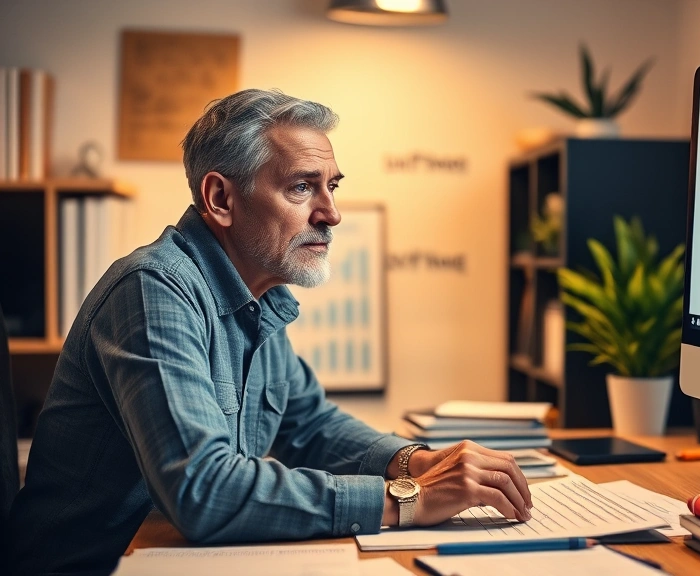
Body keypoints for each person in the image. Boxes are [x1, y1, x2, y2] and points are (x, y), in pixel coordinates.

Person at [8, 89, 532, 576]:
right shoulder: (155, 289)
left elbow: (311, 427)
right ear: (220, 199)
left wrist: (416, 460)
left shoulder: (258, 294)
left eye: (332, 186)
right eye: (302, 187)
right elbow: (203, 490)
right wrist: (407, 498)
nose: (331, 213)